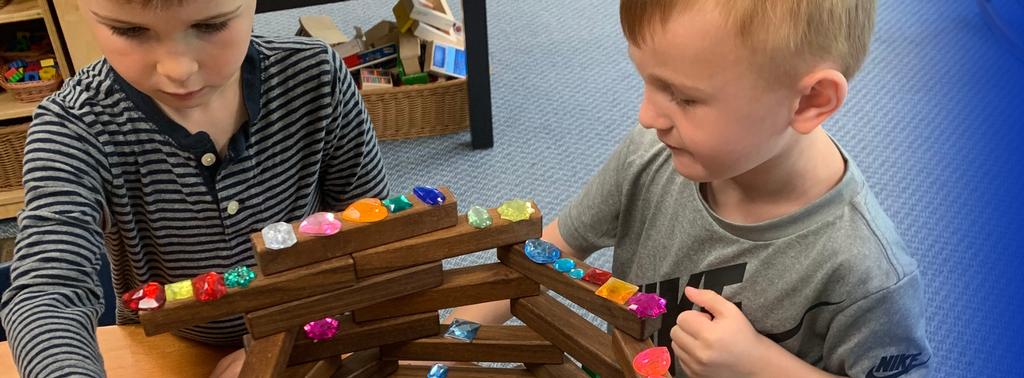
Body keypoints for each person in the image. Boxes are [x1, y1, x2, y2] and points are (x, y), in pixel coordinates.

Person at [447, 1, 932, 377]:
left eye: (683, 96)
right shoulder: (649, 155)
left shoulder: (868, 274)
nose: (648, 117)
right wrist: (451, 342)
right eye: (647, 82)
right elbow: (540, 255)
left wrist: (760, 367)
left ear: (810, 100)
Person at [0, 0, 388, 377]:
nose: (178, 69)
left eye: (211, 25)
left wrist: (281, 340)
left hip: (312, 324)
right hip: (166, 343)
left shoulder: (316, 76)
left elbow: (375, 242)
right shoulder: (72, 128)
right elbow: (47, 295)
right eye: (129, 30)